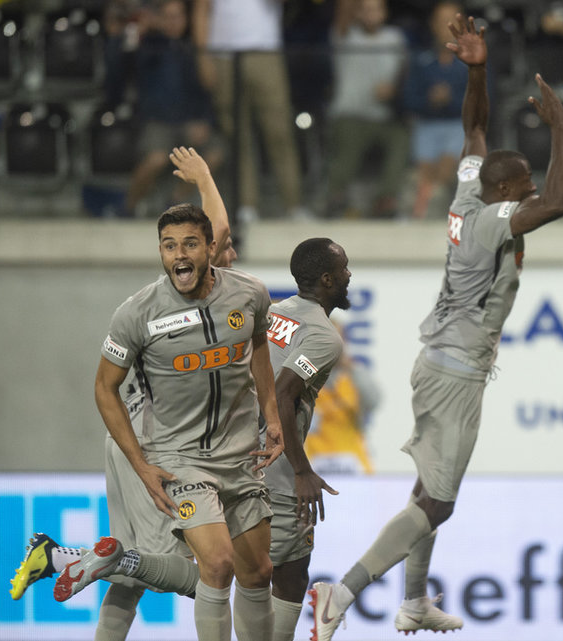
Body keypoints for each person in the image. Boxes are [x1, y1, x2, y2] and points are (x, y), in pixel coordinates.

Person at [309, 13, 563, 641]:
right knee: (439, 503)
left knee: (429, 488)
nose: (531, 198)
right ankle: (340, 595)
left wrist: (477, 69)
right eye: (523, 190)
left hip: (445, 361)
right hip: (456, 371)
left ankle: (414, 602)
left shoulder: (468, 195)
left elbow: (475, 127)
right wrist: (561, 129)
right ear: (505, 192)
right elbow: (560, 202)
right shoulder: (488, 223)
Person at [7, 148, 234, 620]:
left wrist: (205, 180)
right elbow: (103, 386)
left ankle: (82, 561)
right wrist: (206, 179)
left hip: (137, 435)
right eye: (183, 244)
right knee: (199, 574)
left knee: (132, 577)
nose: (225, 251)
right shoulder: (165, 303)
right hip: (152, 444)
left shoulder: (223, 294)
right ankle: (61, 557)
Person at [61, 180, 285, 641]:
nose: (178, 255)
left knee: (259, 571)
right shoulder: (136, 314)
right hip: (179, 459)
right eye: (168, 246)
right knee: (217, 564)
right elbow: (105, 389)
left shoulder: (249, 295)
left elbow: (258, 343)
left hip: (241, 455)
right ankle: (122, 560)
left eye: (188, 244)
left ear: (210, 247)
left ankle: (121, 561)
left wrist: (273, 415)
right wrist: (141, 465)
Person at [264, 237, 351, 641]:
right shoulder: (323, 336)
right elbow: (284, 393)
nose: (351, 276)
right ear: (328, 279)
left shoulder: (272, 314)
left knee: (233, 568)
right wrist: (301, 471)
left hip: (234, 455)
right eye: (345, 270)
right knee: (291, 573)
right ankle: (119, 561)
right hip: (276, 467)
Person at [105, 0, 224, 216]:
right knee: (156, 158)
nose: (173, 22)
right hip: (156, 121)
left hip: (189, 120)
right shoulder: (147, 46)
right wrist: (125, 37)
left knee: (214, 153)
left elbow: (206, 90)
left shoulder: (193, 48)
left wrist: (205, 120)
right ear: (159, 19)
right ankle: (127, 207)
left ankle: (174, 202)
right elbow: (116, 73)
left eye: (178, 16)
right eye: (168, 17)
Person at [192, 0, 307, 220]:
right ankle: (246, 205)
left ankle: (293, 204)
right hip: (223, 55)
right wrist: (202, 56)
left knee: (279, 131)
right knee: (236, 136)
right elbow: (201, 10)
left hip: (265, 51)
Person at [323, 0, 409, 219]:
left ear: (385, 12)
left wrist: (394, 89)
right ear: (358, 12)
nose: (371, 13)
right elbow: (342, 13)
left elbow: (405, 73)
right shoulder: (346, 36)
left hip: (384, 116)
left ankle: (386, 200)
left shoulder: (395, 38)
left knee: (401, 139)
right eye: (366, 8)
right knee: (348, 148)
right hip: (349, 115)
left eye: (376, 8)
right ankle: (335, 197)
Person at [401, 1, 466, 220]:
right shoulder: (421, 60)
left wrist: (450, 100)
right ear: (432, 25)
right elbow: (409, 99)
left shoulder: (472, 61)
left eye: (453, 22)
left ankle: (433, 207)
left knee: (447, 164)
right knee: (424, 169)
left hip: (459, 124)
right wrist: (430, 100)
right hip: (426, 124)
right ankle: (422, 210)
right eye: (441, 22)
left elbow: (484, 102)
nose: (447, 27)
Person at [304, 335, 381, 475]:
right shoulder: (305, 376)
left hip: (353, 462)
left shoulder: (354, 375)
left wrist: (352, 368)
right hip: (315, 461)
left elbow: (373, 401)